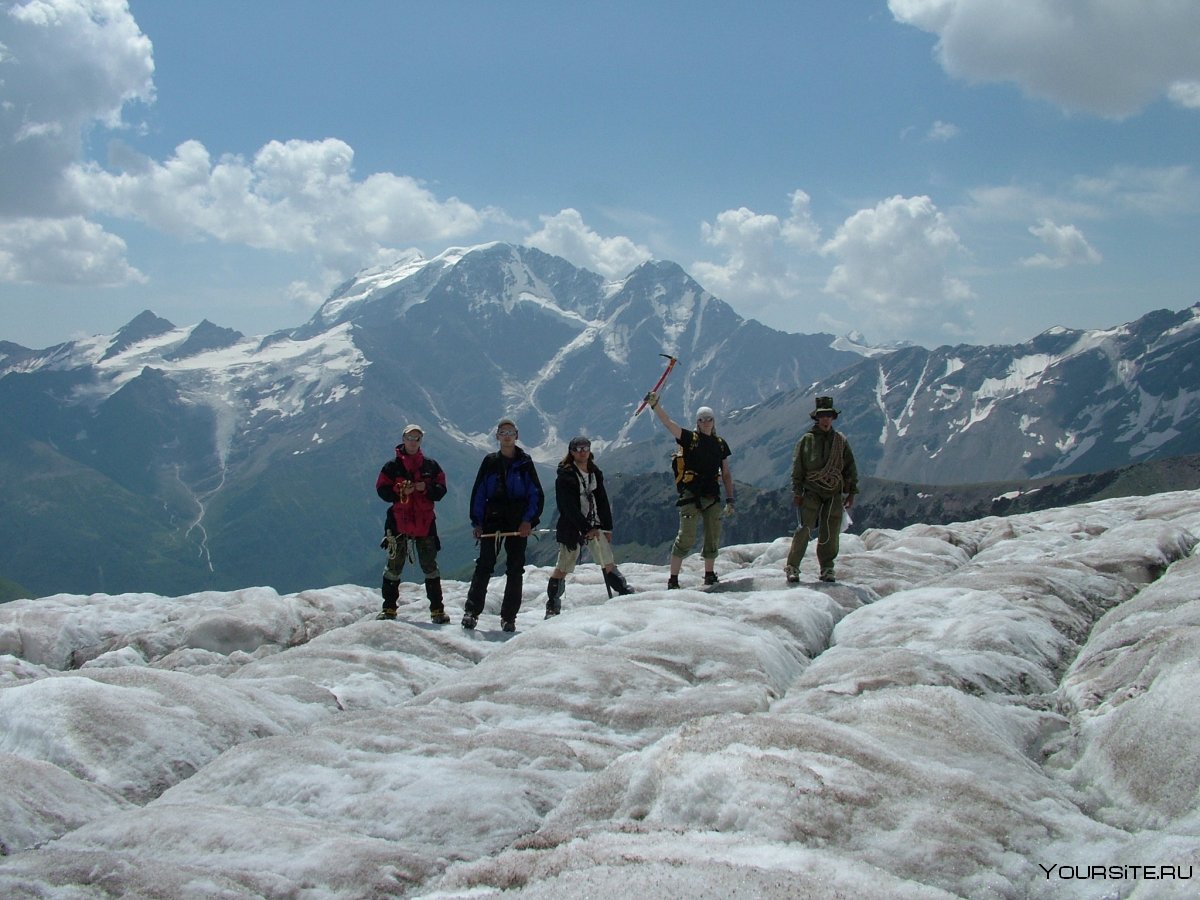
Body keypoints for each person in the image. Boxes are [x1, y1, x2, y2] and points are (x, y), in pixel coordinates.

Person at [462, 416, 545, 632]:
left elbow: (535, 494)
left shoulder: (525, 462)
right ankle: (471, 612)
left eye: (510, 433)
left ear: (516, 436)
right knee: (485, 565)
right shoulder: (490, 462)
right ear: (498, 436)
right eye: (503, 433)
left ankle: (509, 617)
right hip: (492, 520)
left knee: (515, 569)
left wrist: (529, 520)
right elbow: (479, 493)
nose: (507, 437)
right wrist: (477, 523)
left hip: (517, 523)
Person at [643, 391, 734, 588]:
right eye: (702, 419)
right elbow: (669, 424)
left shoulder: (720, 444)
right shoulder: (690, 439)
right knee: (686, 537)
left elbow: (726, 473)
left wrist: (730, 498)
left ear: (714, 421)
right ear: (698, 422)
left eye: (709, 419)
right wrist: (655, 405)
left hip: (712, 495)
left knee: (713, 535)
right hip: (691, 495)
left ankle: (709, 574)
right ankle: (673, 579)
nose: (706, 422)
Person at [544, 436, 634, 618]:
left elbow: (602, 500)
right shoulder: (565, 476)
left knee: (607, 561)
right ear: (572, 452)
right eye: (578, 448)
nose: (582, 451)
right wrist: (586, 528)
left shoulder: (594, 472)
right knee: (564, 566)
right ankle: (552, 604)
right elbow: (567, 507)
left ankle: (623, 591)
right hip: (573, 527)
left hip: (593, 524)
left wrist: (606, 527)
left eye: (585, 448)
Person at [375, 424, 450, 622]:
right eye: (410, 437)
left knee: (429, 566)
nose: (413, 441)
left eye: (416, 438)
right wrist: (399, 493)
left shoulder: (430, 466)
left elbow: (441, 489)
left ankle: (437, 610)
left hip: (423, 522)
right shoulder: (392, 467)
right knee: (394, 566)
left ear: (420, 441)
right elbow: (382, 490)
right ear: (403, 439)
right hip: (401, 521)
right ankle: (389, 608)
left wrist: (425, 488)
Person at [785, 396, 858, 584]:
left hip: (833, 492)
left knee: (830, 531)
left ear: (833, 418)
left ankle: (827, 568)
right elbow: (798, 468)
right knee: (804, 529)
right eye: (822, 416)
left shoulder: (840, 441)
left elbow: (850, 467)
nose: (825, 419)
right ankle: (792, 567)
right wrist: (797, 491)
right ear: (817, 418)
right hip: (810, 491)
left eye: (828, 416)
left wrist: (851, 492)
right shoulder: (806, 441)